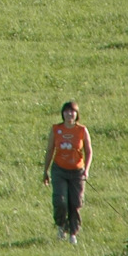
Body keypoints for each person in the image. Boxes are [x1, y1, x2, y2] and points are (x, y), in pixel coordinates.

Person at [42, 101, 92, 243]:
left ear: (76, 114)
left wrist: (86, 170)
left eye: (72, 111)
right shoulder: (56, 129)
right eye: (66, 111)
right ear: (62, 114)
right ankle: (60, 226)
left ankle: (73, 233)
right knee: (61, 201)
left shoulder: (82, 130)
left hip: (77, 172)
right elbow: (50, 150)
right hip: (59, 170)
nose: (69, 114)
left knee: (75, 203)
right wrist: (45, 170)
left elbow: (88, 151)